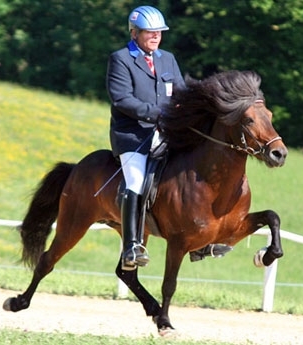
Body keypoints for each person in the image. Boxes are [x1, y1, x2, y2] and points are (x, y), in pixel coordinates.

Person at [106, 5, 232, 271]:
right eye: (150, 32)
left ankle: (202, 242)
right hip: (132, 135)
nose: (156, 37)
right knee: (137, 182)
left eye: (159, 32)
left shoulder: (167, 59)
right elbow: (122, 99)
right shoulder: (121, 59)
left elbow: (181, 92)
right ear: (135, 33)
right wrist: (158, 114)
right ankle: (132, 245)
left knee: (192, 172)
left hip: (166, 133)